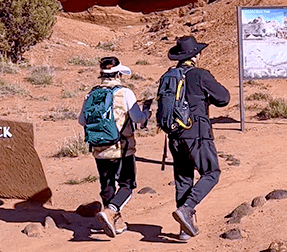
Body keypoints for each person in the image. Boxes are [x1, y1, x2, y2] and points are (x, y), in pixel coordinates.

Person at [164, 36, 229, 240]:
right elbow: (224, 98)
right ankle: (188, 209)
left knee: (183, 179)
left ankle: (185, 230)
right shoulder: (200, 75)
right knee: (211, 173)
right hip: (198, 135)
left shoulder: (168, 76)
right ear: (196, 55)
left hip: (174, 136)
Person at [78, 56, 151, 238]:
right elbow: (137, 118)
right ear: (118, 74)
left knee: (107, 185)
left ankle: (115, 222)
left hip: (99, 148)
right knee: (127, 185)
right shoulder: (125, 93)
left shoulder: (91, 94)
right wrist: (147, 113)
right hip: (121, 147)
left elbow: (82, 120)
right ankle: (111, 211)